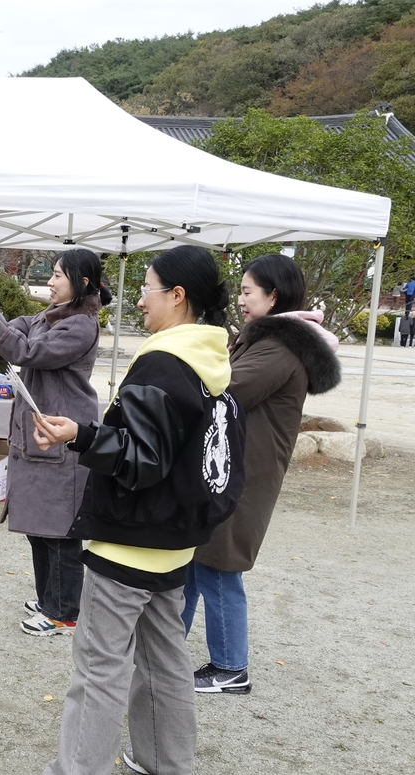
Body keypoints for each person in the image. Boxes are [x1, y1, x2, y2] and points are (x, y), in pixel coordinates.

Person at [31, 245, 245, 775]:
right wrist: (86, 433)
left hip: (129, 539)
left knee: (100, 669)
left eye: (147, 288)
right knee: (164, 663)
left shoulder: (162, 362)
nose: (140, 301)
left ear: (177, 295)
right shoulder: (211, 360)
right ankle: (163, 761)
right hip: (174, 541)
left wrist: (81, 436)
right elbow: (169, 449)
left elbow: (143, 458)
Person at [183, 254, 340, 695]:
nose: (242, 299)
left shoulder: (279, 347)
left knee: (219, 565)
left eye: (249, 291)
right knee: (198, 561)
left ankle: (231, 667)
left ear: (274, 296)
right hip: (230, 467)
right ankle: (166, 646)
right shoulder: (266, 340)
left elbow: (225, 389)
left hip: (245, 474)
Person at [0, 250, 111, 636]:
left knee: (60, 529)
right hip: (42, 434)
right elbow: (15, 332)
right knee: (39, 526)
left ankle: (63, 611)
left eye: (58, 275)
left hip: (62, 433)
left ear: (82, 283)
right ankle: (49, 597)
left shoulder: (81, 325)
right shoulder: (52, 316)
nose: (51, 281)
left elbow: (27, 351)